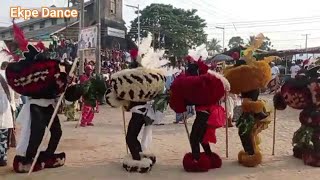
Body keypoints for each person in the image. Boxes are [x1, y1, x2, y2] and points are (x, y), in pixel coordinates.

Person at [0, 69, 14, 167]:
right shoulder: (4, 79)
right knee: (3, 138)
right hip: (5, 114)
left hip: (4, 113)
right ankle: (3, 158)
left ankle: (2, 158)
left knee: (3, 138)